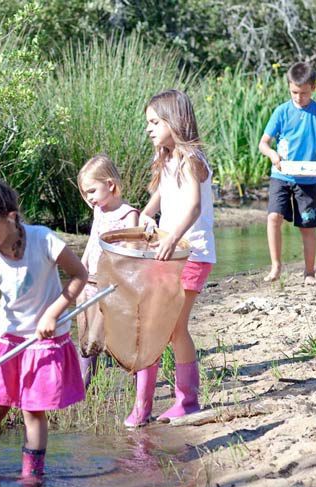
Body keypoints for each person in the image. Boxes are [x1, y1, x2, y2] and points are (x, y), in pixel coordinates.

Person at [0, 179, 88, 483]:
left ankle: (32, 480)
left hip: (45, 343)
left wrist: (53, 313)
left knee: (33, 412)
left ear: (11, 217)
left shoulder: (43, 240)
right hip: (9, 342)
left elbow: (79, 274)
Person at [124, 89, 216, 427]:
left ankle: (188, 401)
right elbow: (161, 197)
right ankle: (141, 407)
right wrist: (145, 215)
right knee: (151, 326)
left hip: (191, 252)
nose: (148, 128)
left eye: (154, 122)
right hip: (166, 252)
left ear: (173, 122)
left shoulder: (192, 158)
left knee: (175, 328)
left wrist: (174, 236)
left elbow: (192, 206)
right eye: (147, 123)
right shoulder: (166, 158)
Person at [258, 62, 316, 285]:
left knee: (307, 226)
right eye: (294, 92)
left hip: (308, 179)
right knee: (273, 217)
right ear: (289, 87)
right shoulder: (281, 112)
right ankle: (275, 266)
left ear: (313, 88)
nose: (298, 97)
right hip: (281, 175)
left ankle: (309, 272)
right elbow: (263, 144)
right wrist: (273, 156)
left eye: (303, 93)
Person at [76, 154, 138, 386]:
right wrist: (81, 265)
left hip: (110, 286)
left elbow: (132, 251)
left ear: (110, 185)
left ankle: (130, 377)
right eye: (85, 193)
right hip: (89, 280)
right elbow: (93, 240)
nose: (88, 198)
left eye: (91, 191)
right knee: (85, 336)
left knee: (100, 336)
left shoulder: (128, 214)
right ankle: (85, 385)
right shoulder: (99, 211)